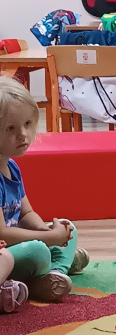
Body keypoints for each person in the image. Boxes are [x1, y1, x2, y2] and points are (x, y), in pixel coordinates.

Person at [0, 77, 89, 302]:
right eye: (10, 128)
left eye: (27, 124)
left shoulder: (11, 167)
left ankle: (54, 273)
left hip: (17, 245)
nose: (23, 134)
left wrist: (44, 230)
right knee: (37, 251)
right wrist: (48, 239)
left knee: (67, 226)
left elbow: (26, 213)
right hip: (5, 254)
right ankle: (53, 266)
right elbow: (2, 234)